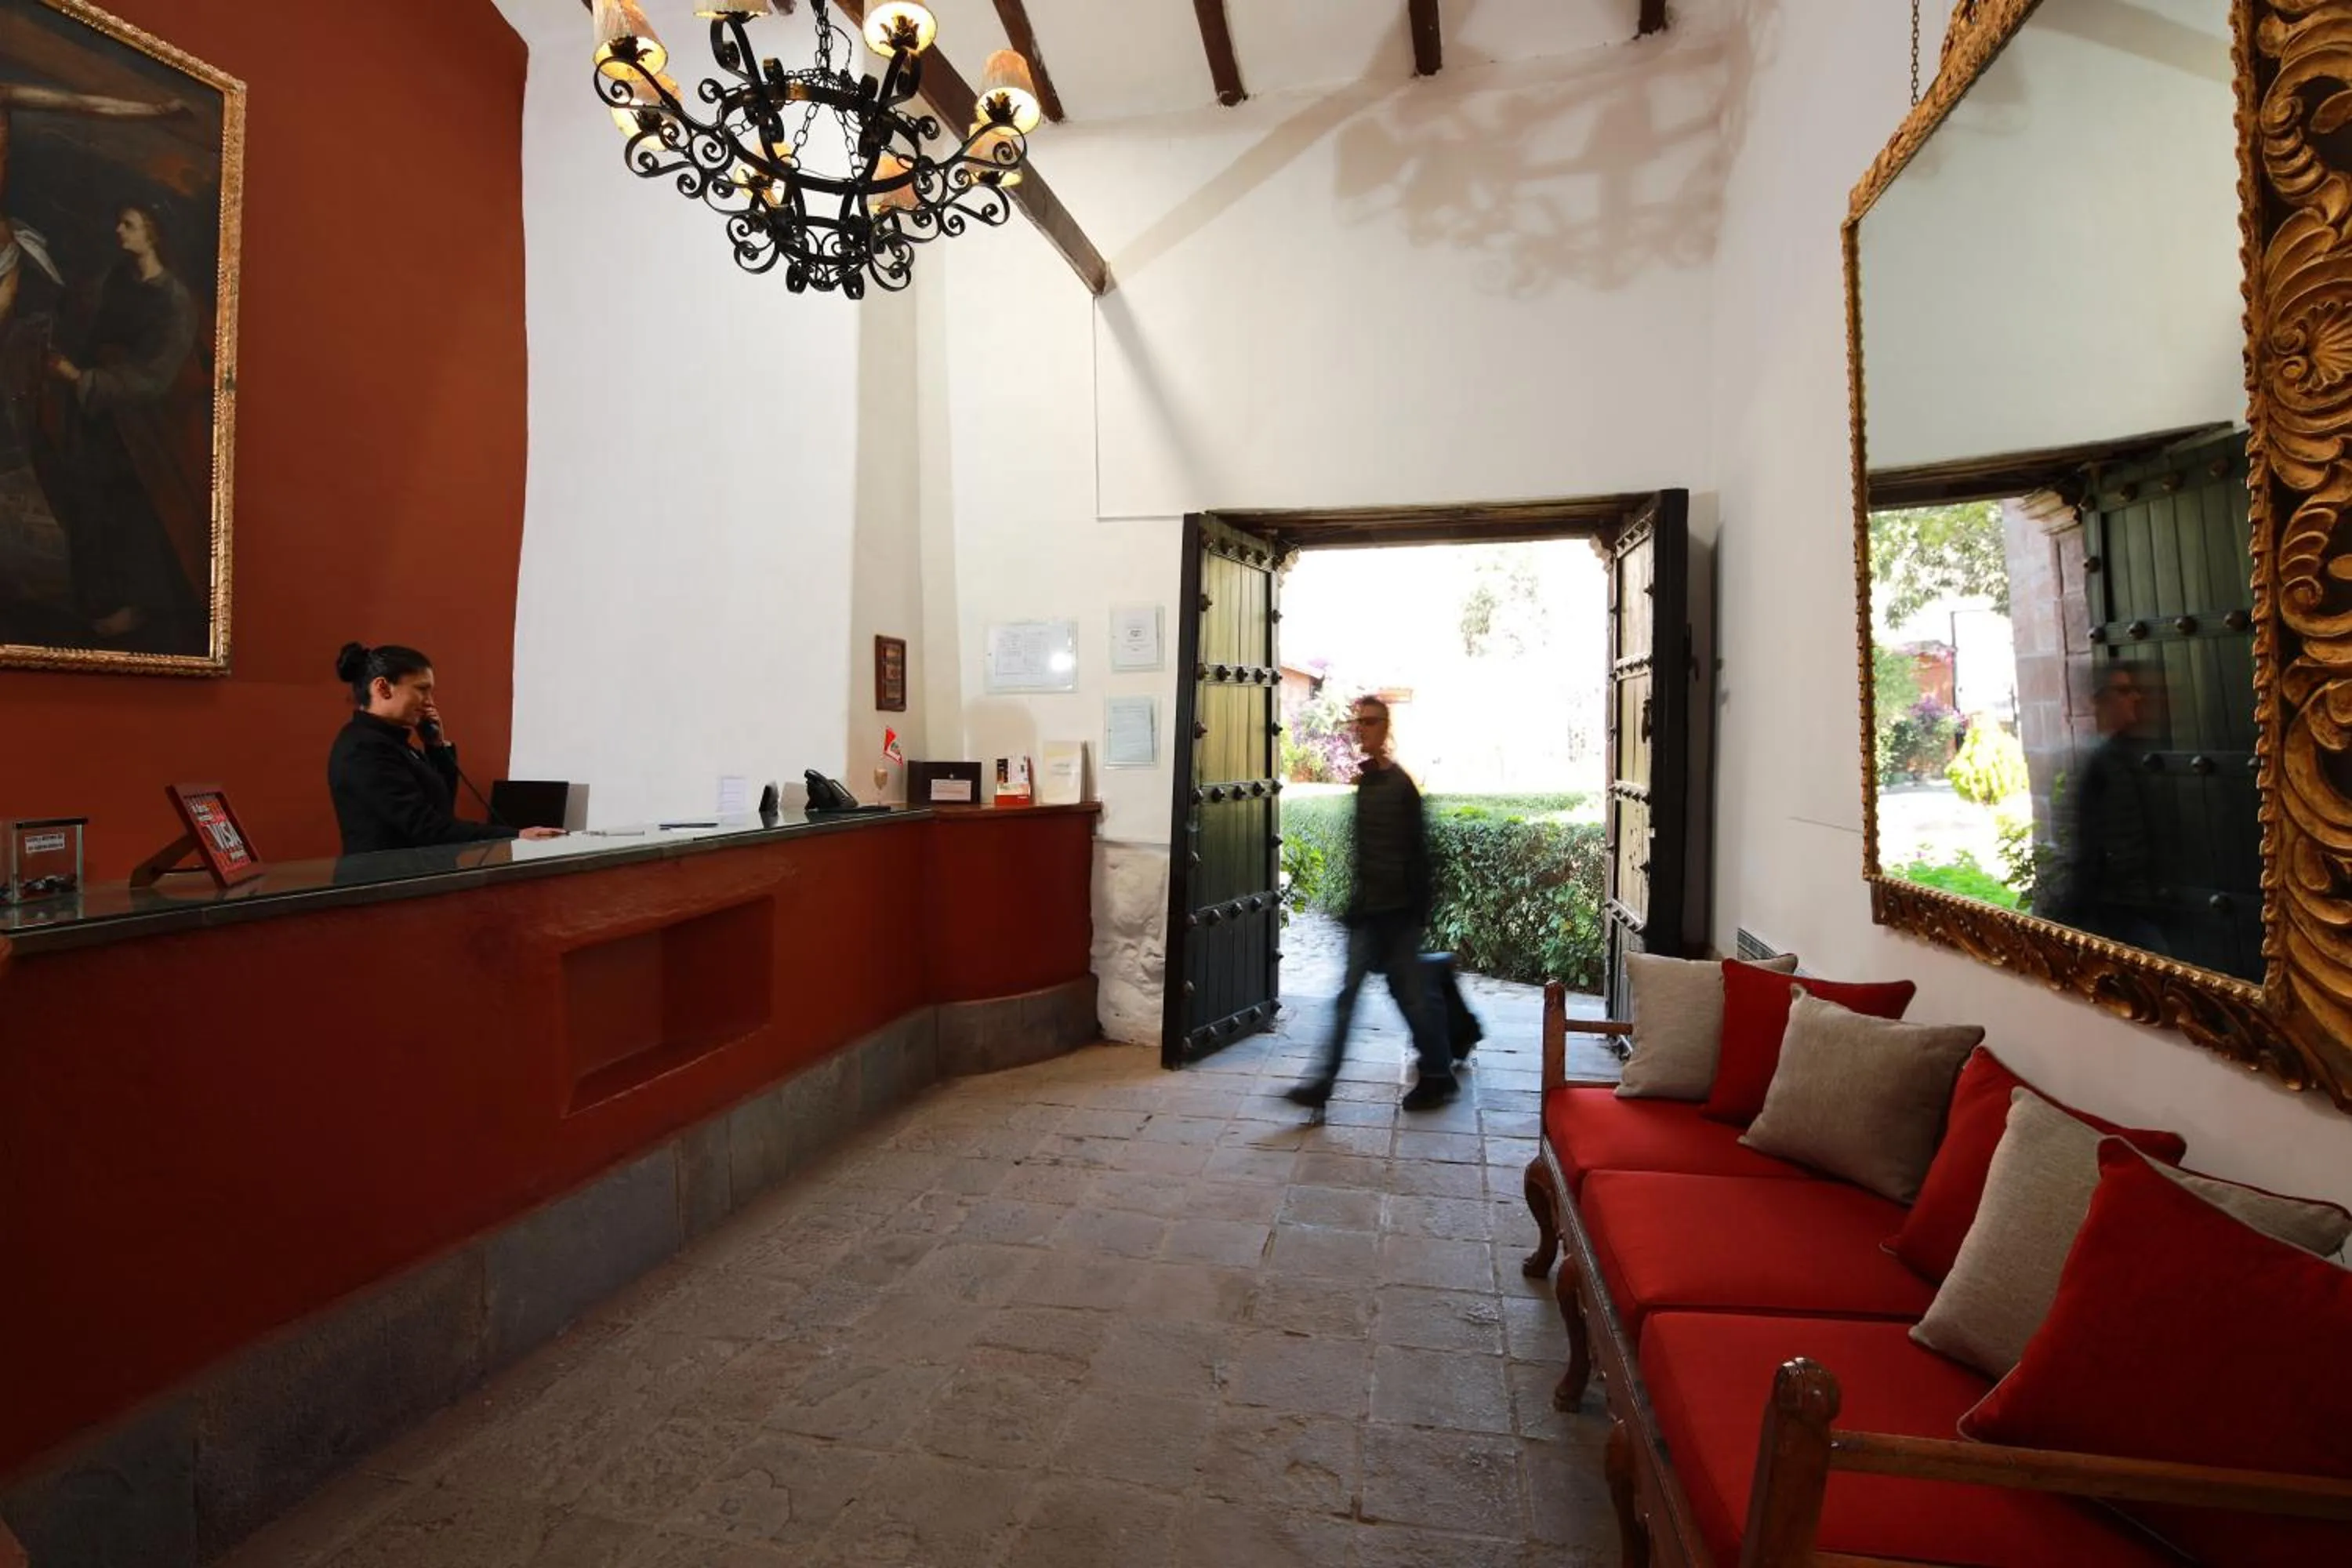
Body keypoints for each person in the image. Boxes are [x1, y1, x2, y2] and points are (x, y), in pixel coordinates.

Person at [28, 204, 211, 648]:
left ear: (153, 234)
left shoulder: (175, 300)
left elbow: (155, 378)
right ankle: (98, 601)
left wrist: (79, 378)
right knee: (88, 504)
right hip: (99, 419)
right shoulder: (116, 282)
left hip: (145, 431)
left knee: (133, 512)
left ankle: (135, 605)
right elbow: (90, 337)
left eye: (128, 225)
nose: (118, 231)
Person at [1287, 695, 1460, 1112]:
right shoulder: (1366, 783)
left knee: (1411, 998)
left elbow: (1419, 853)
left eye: (1370, 722)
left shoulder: (1400, 786)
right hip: (1368, 912)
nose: (1361, 728)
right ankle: (1322, 1085)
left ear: (1386, 729)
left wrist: (1416, 912)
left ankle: (1438, 1075)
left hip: (1397, 915)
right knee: (1347, 998)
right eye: (1358, 722)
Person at [328, 642, 563, 855]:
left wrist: (436, 747)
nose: (430, 702)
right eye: (422, 689)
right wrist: (514, 836)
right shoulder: (364, 748)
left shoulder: (392, 742)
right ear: (383, 688)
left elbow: (442, 808)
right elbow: (426, 827)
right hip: (386, 890)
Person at [2042, 662, 2166, 953]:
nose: (2135, 697)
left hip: (2134, 905)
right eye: (2124, 691)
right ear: (2102, 700)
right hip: (2115, 911)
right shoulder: (2096, 764)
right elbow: (2087, 845)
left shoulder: (2128, 753)